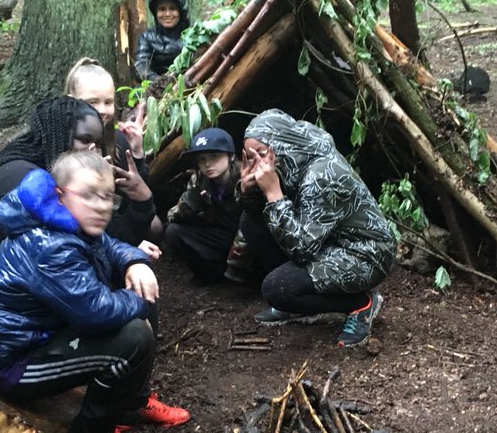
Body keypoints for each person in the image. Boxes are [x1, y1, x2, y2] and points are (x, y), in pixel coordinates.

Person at [0, 150, 189, 433]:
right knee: (132, 337)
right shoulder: (49, 245)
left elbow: (106, 244)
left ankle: (133, 405)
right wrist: (138, 296)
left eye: (107, 197)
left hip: (37, 331)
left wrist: (134, 262)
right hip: (9, 359)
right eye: (90, 196)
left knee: (139, 296)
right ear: (60, 196)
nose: (102, 206)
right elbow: (96, 313)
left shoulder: (64, 219)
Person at [238, 109, 396, 347]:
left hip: (364, 254)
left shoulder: (321, 176)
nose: (257, 164)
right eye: (250, 157)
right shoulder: (290, 165)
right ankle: (294, 304)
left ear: (282, 146)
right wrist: (247, 190)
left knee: (277, 288)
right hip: (325, 242)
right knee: (251, 222)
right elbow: (263, 216)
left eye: (262, 154)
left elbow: (301, 249)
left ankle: (360, 303)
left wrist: (273, 192)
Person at [0, 97, 103, 294]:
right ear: (58, 133)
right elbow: (54, 247)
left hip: (7, 265)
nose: (92, 152)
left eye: (96, 144)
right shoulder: (23, 179)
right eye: (85, 141)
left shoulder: (47, 168)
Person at [64, 58, 160, 246]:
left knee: (155, 226)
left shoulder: (117, 139)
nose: (102, 110)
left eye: (108, 102)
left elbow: (135, 190)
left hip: (111, 213)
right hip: (75, 222)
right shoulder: (63, 141)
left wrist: (137, 152)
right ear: (71, 101)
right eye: (92, 101)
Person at [165, 127, 249, 284]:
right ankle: (209, 275)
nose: (207, 164)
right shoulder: (200, 181)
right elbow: (172, 216)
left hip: (247, 241)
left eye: (214, 157)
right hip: (222, 235)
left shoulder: (246, 178)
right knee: (174, 232)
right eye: (202, 159)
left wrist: (235, 267)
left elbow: (249, 225)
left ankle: (247, 278)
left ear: (231, 156)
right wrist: (188, 205)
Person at [134, 0, 190, 81]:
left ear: (181, 11)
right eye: (162, 9)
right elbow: (141, 66)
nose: (167, 14)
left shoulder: (192, 36)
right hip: (157, 89)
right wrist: (159, 81)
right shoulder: (147, 37)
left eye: (172, 8)